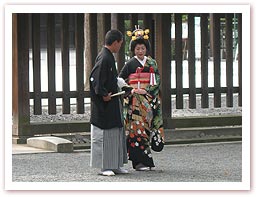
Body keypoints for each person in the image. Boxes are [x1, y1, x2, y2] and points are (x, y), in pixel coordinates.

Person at [119, 26, 165, 171]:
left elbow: (157, 81)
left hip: (149, 100)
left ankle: (146, 160)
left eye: (142, 48)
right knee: (136, 131)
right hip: (135, 103)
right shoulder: (130, 64)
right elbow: (120, 79)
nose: (140, 51)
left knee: (147, 130)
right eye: (137, 48)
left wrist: (146, 91)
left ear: (146, 49)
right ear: (133, 50)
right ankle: (140, 162)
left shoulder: (152, 63)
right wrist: (131, 89)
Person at [89, 29, 129, 176]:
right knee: (104, 135)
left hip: (112, 102)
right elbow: (95, 79)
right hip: (104, 104)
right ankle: (104, 166)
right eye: (120, 43)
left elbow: (110, 78)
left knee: (115, 132)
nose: (120, 46)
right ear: (115, 42)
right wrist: (103, 94)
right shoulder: (104, 58)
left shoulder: (108, 56)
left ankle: (115, 164)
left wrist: (120, 84)